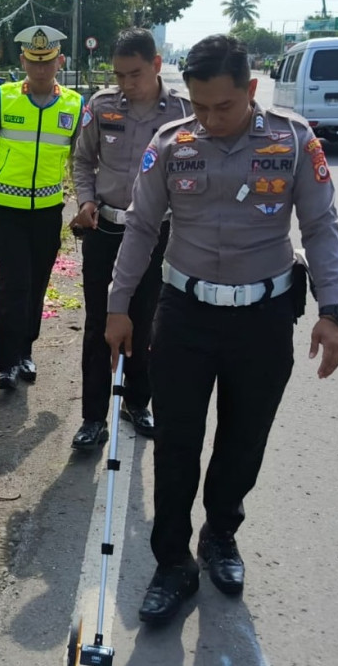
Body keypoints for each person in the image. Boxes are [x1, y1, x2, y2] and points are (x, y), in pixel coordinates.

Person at [105, 35, 338, 624]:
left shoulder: (293, 141)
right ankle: (172, 563)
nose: (210, 120)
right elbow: (140, 227)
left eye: (224, 107)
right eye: (200, 107)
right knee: (177, 446)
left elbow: (320, 226)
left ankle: (220, 533)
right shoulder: (172, 143)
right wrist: (117, 305)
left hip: (262, 322)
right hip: (185, 317)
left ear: (251, 90)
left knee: (243, 441)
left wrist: (332, 310)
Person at [69, 28, 191, 449]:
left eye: (134, 74)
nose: (125, 83)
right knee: (99, 324)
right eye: (119, 75)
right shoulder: (102, 107)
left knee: (145, 321)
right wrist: (85, 199)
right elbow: (83, 159)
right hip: (106, 228)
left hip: (159, 234)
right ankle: (92, 418)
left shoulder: (183, 114)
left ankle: (138, 402)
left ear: (157, 65)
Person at [0, 25, 84, 391]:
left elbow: (79, 161)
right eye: (33, 62)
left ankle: (25, 351)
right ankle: (5, 363)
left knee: (36, 285)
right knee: (12, 283)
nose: (40, 69)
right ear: (23, 61)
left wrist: (84, 203)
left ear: (59, 62)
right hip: (5, 210)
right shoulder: (2, 98)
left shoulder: (74, 104)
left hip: (48, 212)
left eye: (47, 62)